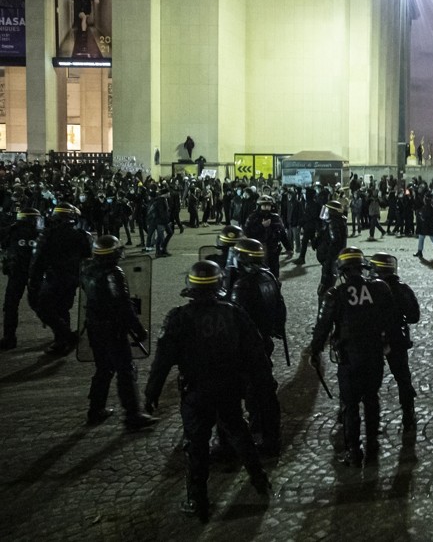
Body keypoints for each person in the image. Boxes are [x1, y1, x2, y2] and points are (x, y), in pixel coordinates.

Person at [144, 261, 273, 521]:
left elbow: (162, 361)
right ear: (218, 285)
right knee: (239, 431)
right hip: (228, 387)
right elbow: (256, 351)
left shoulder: (177, 318)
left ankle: (197, 500)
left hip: (196, 392)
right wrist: (259, 383)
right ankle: (260, 480)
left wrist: (151, 393)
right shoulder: (233, 312)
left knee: (197, 444)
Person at [310, 247, 400, 467]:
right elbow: (391, 320)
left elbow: (322, 327)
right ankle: (372, 443)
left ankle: (353, 451)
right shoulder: (380, 288)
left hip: (349, 358)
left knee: (350, 405)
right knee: (371, 398)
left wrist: (315, 351)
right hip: (374, 355)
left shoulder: (336, 294)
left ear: (343, 270)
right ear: (362, 267)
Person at [80, 235, 159, 430]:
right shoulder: (113, 273)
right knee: (125, 370)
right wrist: (138, 330)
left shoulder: (87, 269)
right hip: (112, 328)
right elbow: (123, 305)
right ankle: (132, 415)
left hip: (94, 326)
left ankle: (95, 409)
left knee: (104, 368)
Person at [227, 238, 284, 456]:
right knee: (264, 388)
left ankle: (264, 436)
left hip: (248, 346)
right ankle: (265, 431)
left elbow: (235, 318)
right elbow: (281, 309)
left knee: (256, 392)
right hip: (264, 339)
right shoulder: (268, 276)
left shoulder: (242, 285)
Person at [367, 252, 420, 438]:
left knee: (370, 383)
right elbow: (414, 316)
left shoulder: (369, 289)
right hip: (397, 338)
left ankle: (370, 422)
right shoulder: (402, 288)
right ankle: (408, 416)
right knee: (403, 379)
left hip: (373, 340)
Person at [28, 202, 93, 356]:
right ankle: (63, 340)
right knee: (63, 308)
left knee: (44, 309)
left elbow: (39, 260)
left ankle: (65, 337)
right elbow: (87, 257)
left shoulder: (48, 235)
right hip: (72, 279)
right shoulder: (81, 235)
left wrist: (34, 281)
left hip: (54, 278)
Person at [1, 207, 40, 349]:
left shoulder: (12, 231)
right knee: (43, 305)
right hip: (34, 274)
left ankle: (9, 337)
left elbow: (4, 244)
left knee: (10, 306)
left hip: (16, 274)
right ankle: (61, 334)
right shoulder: (38, 233)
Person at [243, 195, 292, 279]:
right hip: (258, 253)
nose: (266, 208)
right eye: (264, 205)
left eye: (268, 206)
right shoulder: (253, 217)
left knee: (274, 275)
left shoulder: (276, 218)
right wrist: (261, 226)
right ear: (259, 206)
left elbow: (282, 234)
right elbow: (247, 233)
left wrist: (288, 248)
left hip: (273, 251)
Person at [315, 199, 347, 302]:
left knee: (326, 288)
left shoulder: (333, 223)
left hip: (330, 260)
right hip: (331, 259)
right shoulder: (338, 222)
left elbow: (335, 242)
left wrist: (327, 258)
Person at [412, 191, 433, 260]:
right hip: (430, 225)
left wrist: (421, 216)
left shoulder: (428, 206)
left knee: (423, 237)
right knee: (429, 237)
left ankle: (420, 251)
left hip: (426, 225)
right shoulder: (432, 205)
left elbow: (425, 215)